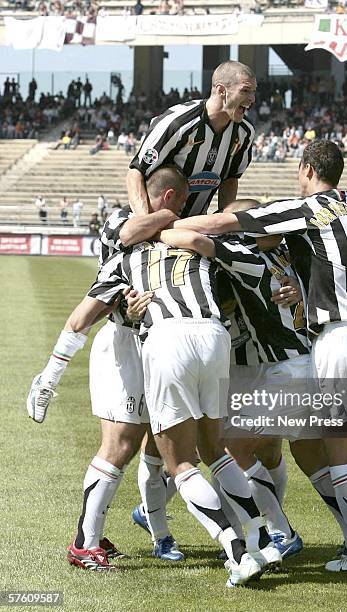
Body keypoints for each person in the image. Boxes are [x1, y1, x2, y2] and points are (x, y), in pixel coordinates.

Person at [173, 140, 347, 581]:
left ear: (306, 168)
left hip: (335, 342)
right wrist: (302, 290)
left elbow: (230, 221)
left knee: (314, 449)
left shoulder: (300, 213)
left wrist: (167, 225)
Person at [86, 227, 283, 586]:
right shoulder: (197, 244)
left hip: (168, 340)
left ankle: (236, 551)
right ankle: (262, 539)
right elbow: (254, 261)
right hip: (214, 336)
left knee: (179, 463)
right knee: (215, 451)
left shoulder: (126, 257)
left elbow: (86, 315)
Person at [27, 167, 190, 570]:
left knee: (170, 441)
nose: (183, 211)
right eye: (180, 203)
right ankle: (84, 543)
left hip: (153, 343)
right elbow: (87, 309)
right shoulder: (121, 224)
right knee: (119, 445)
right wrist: (51, 376)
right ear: (168, 197)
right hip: (124, 344)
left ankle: (95, 530)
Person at [126, 60, 256, 218]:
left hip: (192, 224)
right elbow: (136, 173)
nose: (252, 99)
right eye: (246, 91)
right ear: (222, 90)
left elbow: (230, 180)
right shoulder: (177, 123)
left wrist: (225, 224)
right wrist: (145, 222)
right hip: (155, 223)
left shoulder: (245, 132)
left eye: (253, 92)